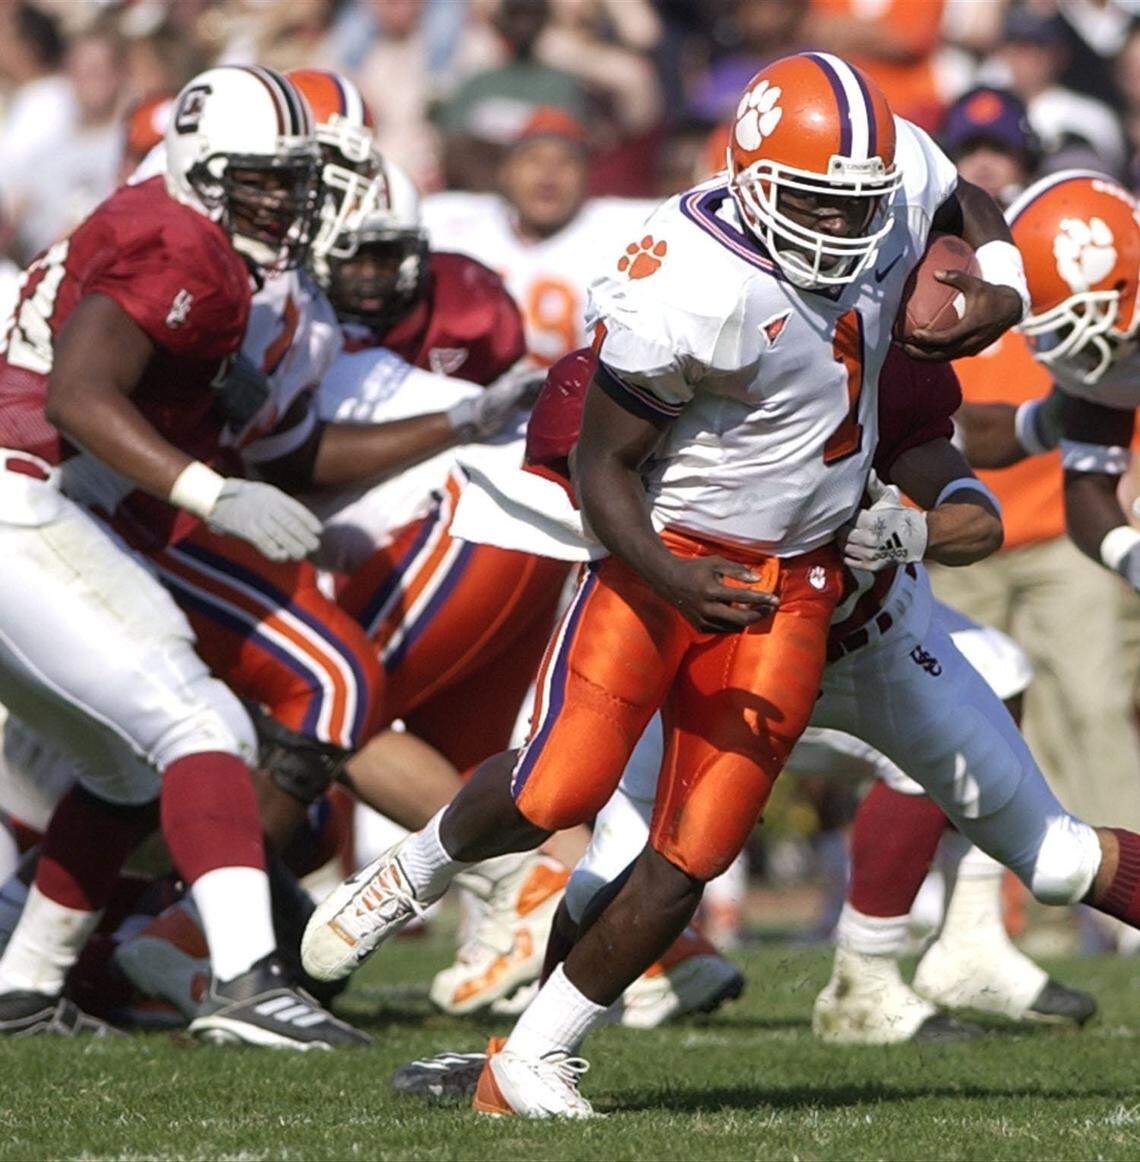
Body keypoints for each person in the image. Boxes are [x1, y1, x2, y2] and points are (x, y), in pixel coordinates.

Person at [303, 52, 1030, 1115]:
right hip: (664, 548)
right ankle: (411, 871)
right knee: (559, 787)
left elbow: (964, 192)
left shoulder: (885, 186)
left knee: (693, 847)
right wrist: (673, 575)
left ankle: (531, 1062)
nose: (842, 234)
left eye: (859, 209)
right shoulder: (689, 275)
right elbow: (600, 466)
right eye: (819, 205)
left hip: (798, 576)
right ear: (750, 176)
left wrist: (1001, 279)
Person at [0, 65, 365, 1047]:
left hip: (32, 504)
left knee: (124, 770)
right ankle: (246, 981)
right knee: (203, 722)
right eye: (262, 180)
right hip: (19, 506)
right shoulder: (185, 245)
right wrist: (214, 490)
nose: (283, 202)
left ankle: (25, 986)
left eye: (292, 182)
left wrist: (200, 394)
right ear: (205, 170)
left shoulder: (157, 215)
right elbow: (79, 397)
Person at [423, 107, 656, 367]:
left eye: (566, 162)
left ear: (588, 176)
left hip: (573, 401)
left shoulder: (625, 230)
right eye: (533, 159)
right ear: (505, 171)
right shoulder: (450, 220)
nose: (548, 175)